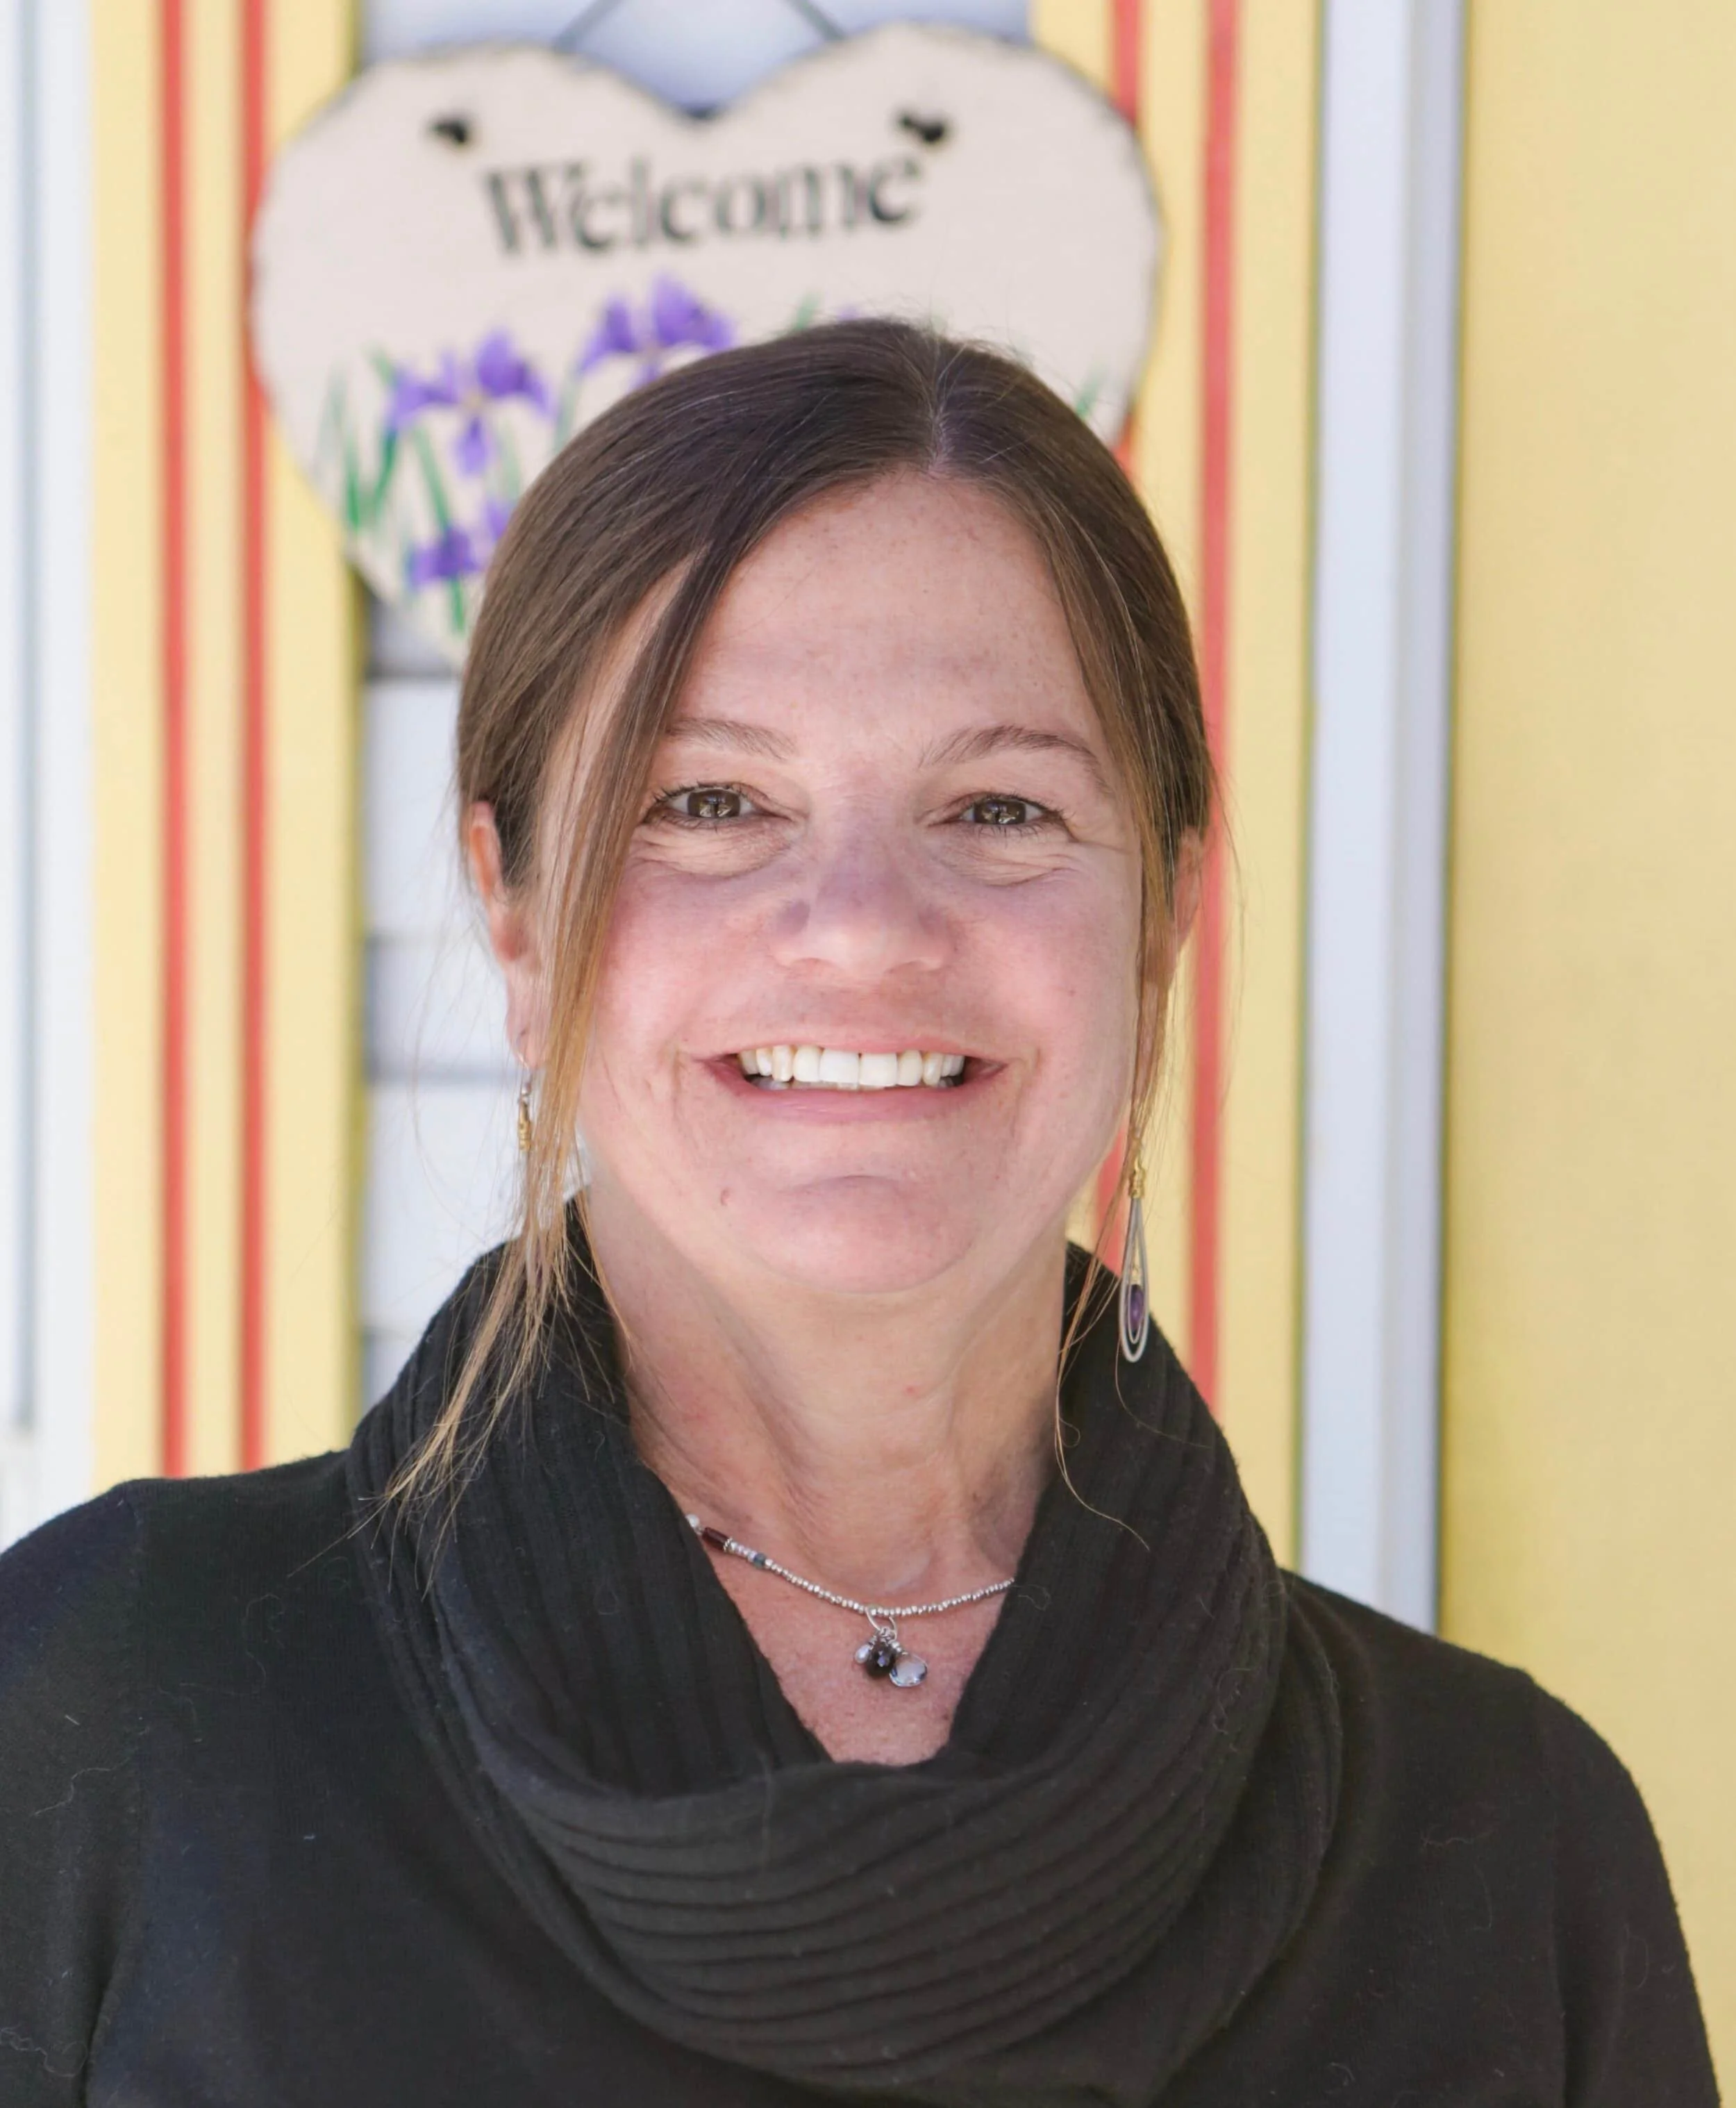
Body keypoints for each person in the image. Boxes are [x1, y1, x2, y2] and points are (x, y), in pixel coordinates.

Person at [0, 322, 1717, 2107]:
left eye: (998, 805)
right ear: (512, 916)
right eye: (712, 801)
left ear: (1161, 918)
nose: (861, 923)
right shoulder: (114, 1715)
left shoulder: (1507, 1846)